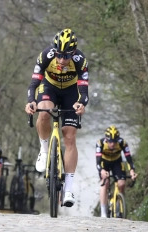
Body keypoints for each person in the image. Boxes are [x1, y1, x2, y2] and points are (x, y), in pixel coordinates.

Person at [25, 28, 89, 207]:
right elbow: (34, 83)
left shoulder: (80, 61)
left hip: (71, 92)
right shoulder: (46, 55)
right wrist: (31, 102)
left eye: (66, 56)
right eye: (59, 55)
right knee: (44, 112)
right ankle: (44, 151)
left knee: (69, 136)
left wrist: (81, 104)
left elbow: (84, 91)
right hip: (49, 87)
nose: (62, 60)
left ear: (73, 53)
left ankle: (68, 190)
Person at [96, 125, 138, 218]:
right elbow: (98, 162)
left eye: (115, 142)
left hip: (117, 163)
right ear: (106, 140)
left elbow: (129, 158)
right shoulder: (100, 143)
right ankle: (103, 213)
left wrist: (132, 171)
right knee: (105, 183)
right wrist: (102, 171)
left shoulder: (122, 143)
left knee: (121, 184)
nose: (112, 144)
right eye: (110, 142)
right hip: (104, 163)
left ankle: (120, 203)